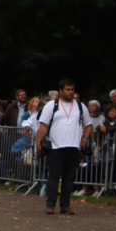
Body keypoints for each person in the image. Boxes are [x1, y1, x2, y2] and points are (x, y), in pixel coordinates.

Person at [36, 79, 92, 215]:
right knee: (54, 176)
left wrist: (85, 138)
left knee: (69, 178)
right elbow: (43, 125)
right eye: (67, 89)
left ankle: (65, 206)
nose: (70, 92)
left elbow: (89, 125)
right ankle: (50, 204)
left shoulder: (80, 106)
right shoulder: (51, 105)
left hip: (74, 147)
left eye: (72, 90)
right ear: (61, 91)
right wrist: (38, 143)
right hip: (55, 146)